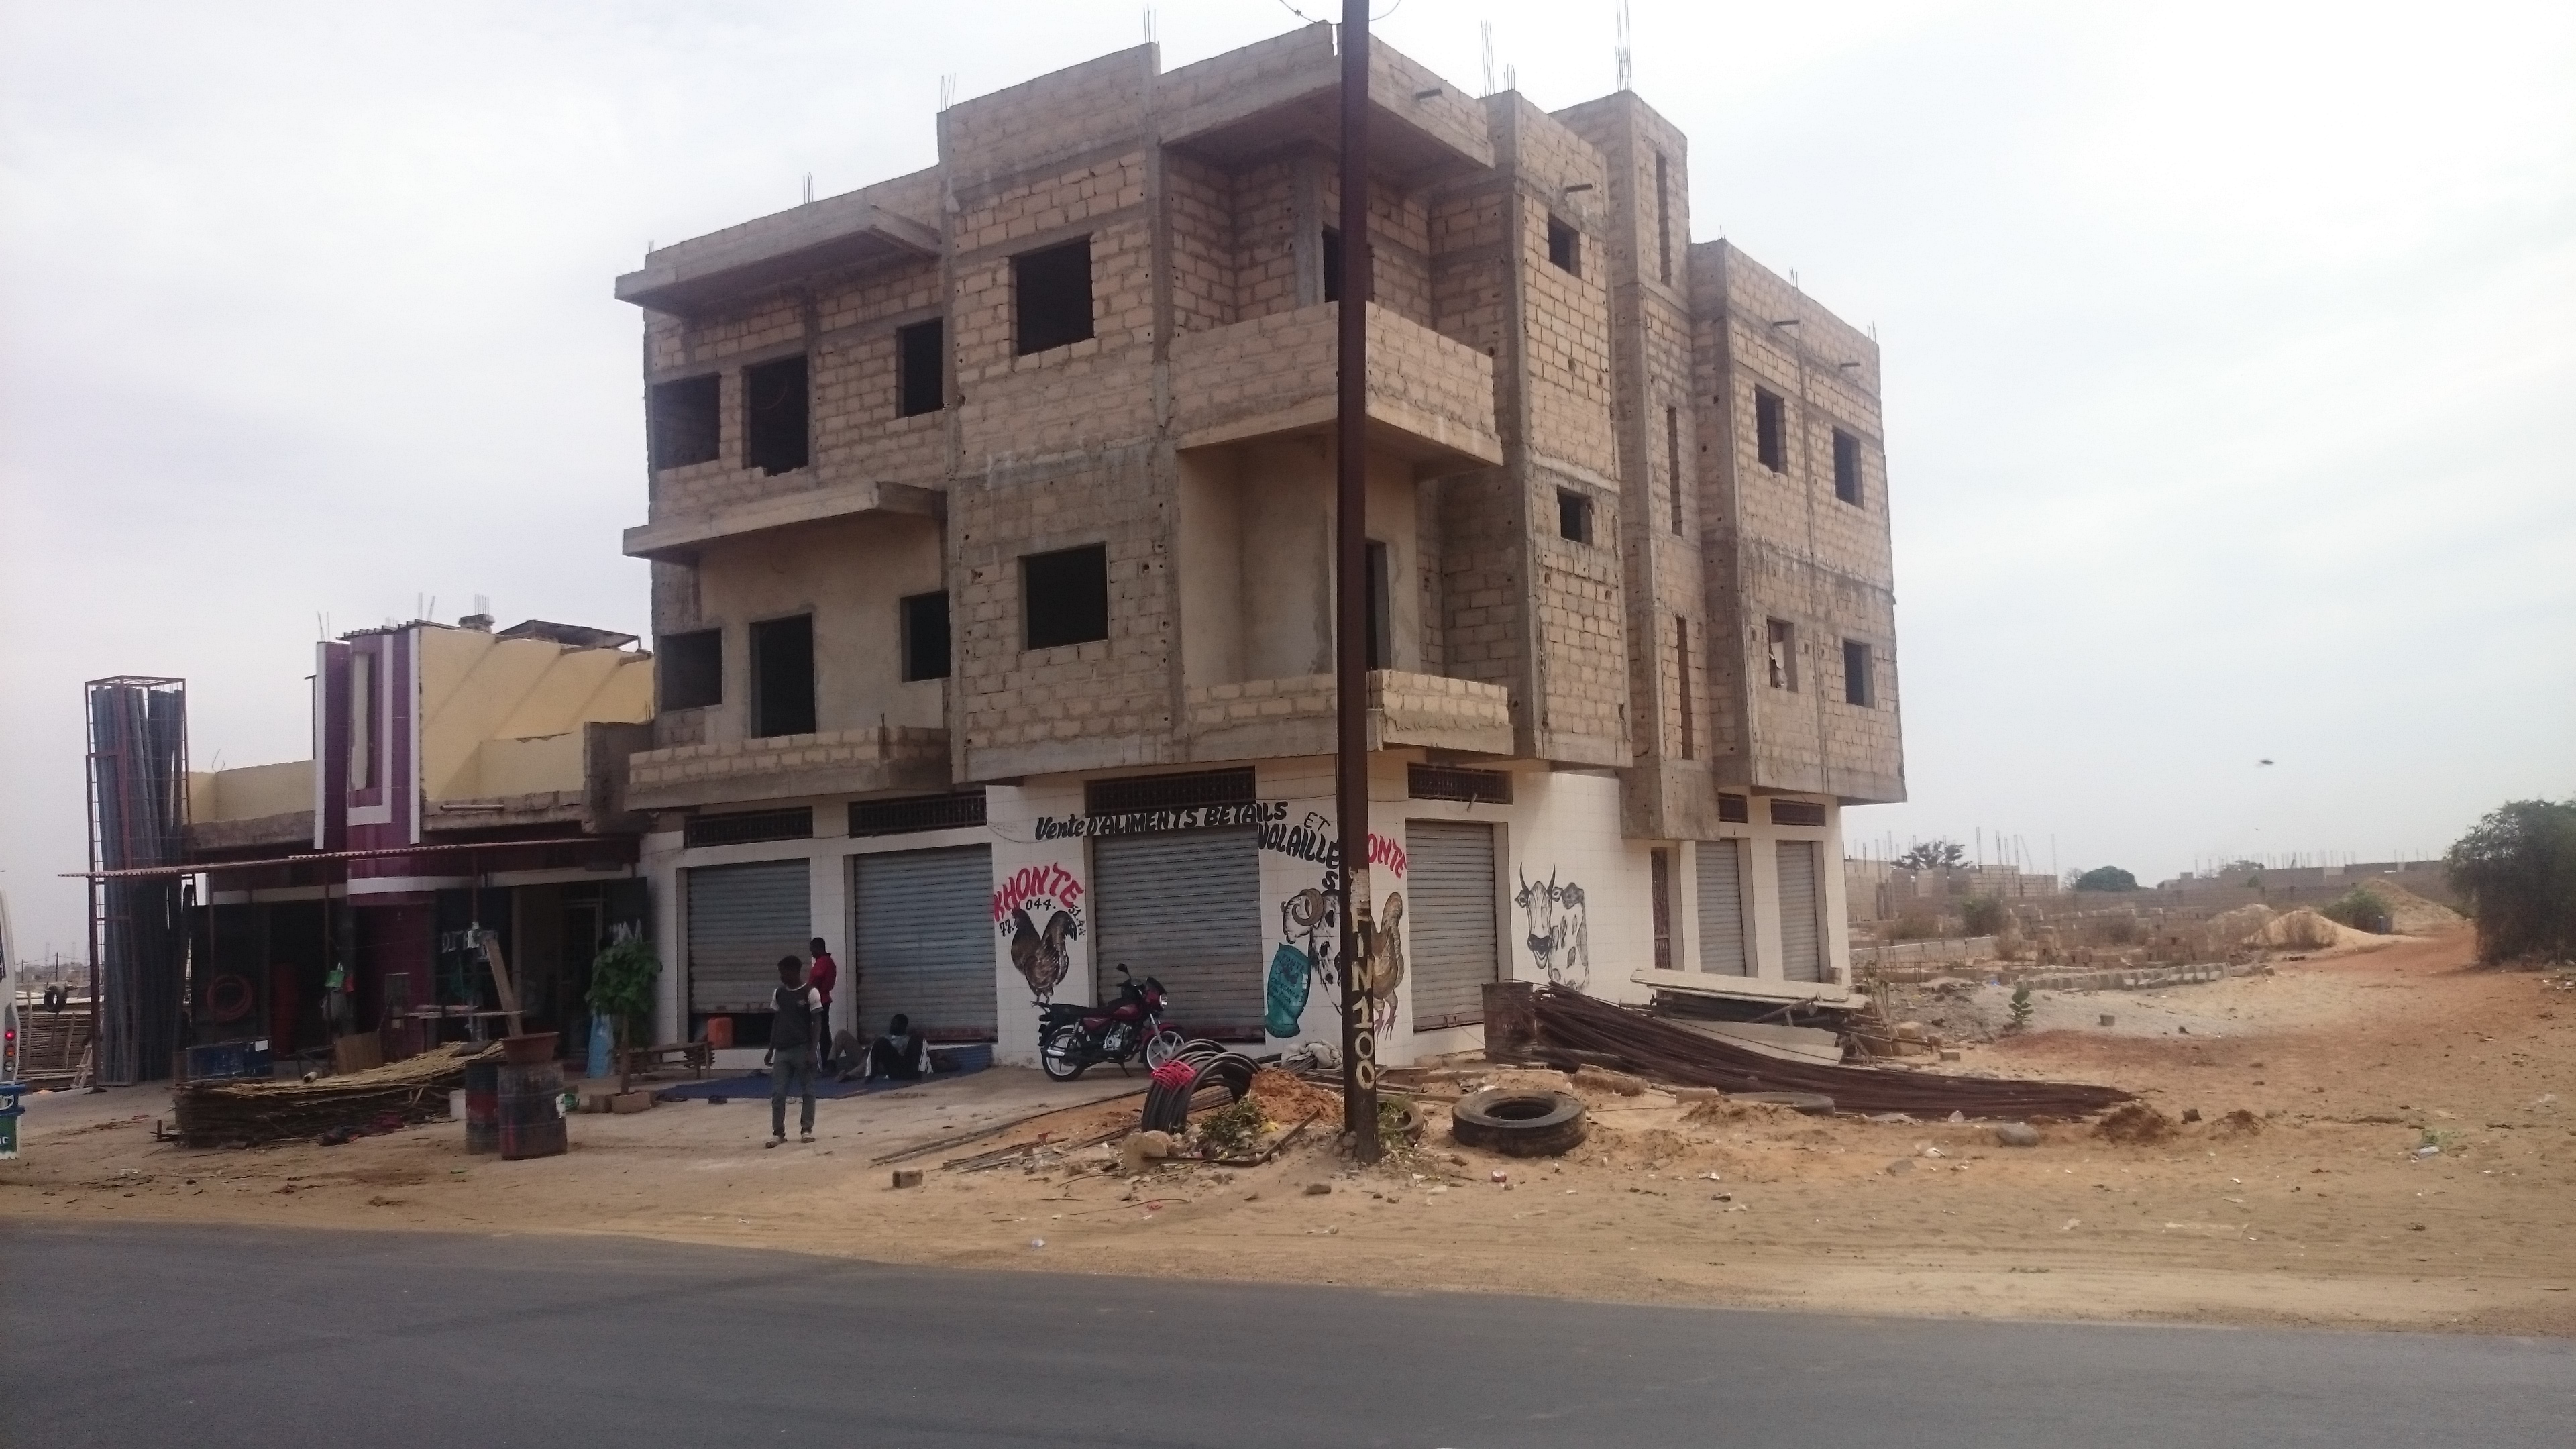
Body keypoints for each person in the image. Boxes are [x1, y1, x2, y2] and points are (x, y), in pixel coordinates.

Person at [765, 955, 820, 1147]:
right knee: (778, 1093)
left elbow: (817, 1023)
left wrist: (812, 1051)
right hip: (782, 1051)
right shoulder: (779, 994)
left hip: (802, 1049)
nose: (781, 977)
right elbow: (776, 1021)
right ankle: (778, 1132)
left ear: (794, 971)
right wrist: (771, 1049)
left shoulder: (810, 993)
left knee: (808, 1090)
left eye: (784, 973)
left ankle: (806, 1129)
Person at [863, 1012, 930, 1083]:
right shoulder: (884, 1038)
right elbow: (871, 1052)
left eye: (895, 1024)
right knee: (879, 1041)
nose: (892, 1026)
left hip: (910, 1069)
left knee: (919, 1040)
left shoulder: (909, 1039)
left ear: (903, 1026)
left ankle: (923, 1074)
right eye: (892, 1023)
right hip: (894, 1070)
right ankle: (870, 1076)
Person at [804, 936, 839, 1071]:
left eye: (813, 950)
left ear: (818, 948)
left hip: (820, 1001)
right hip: (823, 1000)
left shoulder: (823, 962)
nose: (812, 954)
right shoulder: (827, 961)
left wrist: (808, 998)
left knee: (820, 1033)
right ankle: (827, 1062)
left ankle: (823, 1063)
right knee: (824, 1031)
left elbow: (817, 982)